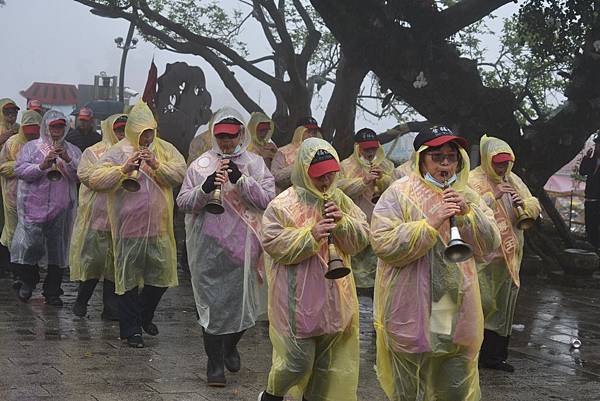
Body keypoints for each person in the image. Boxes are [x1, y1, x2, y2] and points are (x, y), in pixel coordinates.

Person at [370, 126, 500, 401]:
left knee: (448, 375)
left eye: (451, 157)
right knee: (409, 386)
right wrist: (430, 224)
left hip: (448, 300)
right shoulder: (399, 193)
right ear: (421, 159)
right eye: (437, 156)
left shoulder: (468, 195)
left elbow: (490, 244)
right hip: (408, 302)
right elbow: (383, 243)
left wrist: (467, 215)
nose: (445, 164)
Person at [258, 137, 369, 401]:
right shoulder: (283, 204)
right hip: (297, 302)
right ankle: (271, 396)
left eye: (330, 174)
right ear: (303, 172)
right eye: (319, 175)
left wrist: (343, 224)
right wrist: (311, 235)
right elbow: (273, 242)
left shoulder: (340, 200)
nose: (325, 181)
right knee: (296, 363)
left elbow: (362, 237)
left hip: (334, 300)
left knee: (324, 371)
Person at [177, 107, 275, 386]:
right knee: (211, 308)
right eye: (221, 136)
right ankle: (214, 363)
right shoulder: (200, 165)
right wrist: (206, 187)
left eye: (231, 136)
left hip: (245, 248)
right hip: (208, 248)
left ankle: (231, 345)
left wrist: (241, 180)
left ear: (241, 134)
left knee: (244, 306)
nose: (226, 142)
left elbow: (268, 199)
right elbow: (183, 202)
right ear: (213, 135)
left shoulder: (255, 164)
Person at [88, 101, 186, 348]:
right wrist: (123, 169)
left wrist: (155, 164)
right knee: (128, 280)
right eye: (141, 132)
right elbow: (95, 178)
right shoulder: (119, 150)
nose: (146, 136)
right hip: (127, 227)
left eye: (150, 131)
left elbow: (179, 175)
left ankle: (144, 314)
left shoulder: (165, 149)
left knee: (161, 279)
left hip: (159, 227)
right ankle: (131, 330)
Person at [469, 135, 541, 372]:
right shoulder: (472, 179)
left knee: (504, 307)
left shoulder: (514, 179)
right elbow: (468, 210)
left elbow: (532, 202)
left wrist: (526, 206)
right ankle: (472, 355)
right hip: (484, 257)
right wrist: (493, 196)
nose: (502, 168)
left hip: (510, 256)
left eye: (505, 163)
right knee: (481, 304)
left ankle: (495, 357)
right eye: (497, 163)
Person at [11, 110, 82, 305]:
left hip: (61, 209)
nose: (56, 130)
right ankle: (28, 281)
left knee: (57, 250)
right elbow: (19, 170)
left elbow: (81, 175)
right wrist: (41, 166)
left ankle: (52, 292)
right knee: (30, 246)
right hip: (33, 206)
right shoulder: (31, 147)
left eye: (60, 126)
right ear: (46, 127)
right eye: (53, 126)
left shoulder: (73, 150)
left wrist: (67, 159)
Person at [70, 114, 128, 320]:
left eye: (125, 130)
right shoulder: (93, 152)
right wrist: (117, 172)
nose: (121, 134)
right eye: (118, 130)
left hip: (122, 220)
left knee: (115, 266)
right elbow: (87, 177)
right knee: (93, 263)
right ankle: (82, 300)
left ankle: (110, 308)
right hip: (97, 216)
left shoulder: (135, 152)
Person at [338, 128, 394, 295]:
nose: (370, 152)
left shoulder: (386, 164)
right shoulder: (344, 166)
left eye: (373, 148)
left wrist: (383, 179)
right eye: (366, 148)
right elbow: (338, 189)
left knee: (378, 271)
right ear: (357, 147)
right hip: (356, 223)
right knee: (356, 274)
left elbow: (397, 189)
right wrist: (363, 181)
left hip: (380, 223)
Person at [0, 110, 42, 285]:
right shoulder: (12, 143)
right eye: (28, 130)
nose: (31, 134)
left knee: (30, 234)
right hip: (12, 193)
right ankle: (17, 270)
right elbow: (2, 166)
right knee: (13, 232)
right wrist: (22, 168)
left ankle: (26, 269)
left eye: (35, 130)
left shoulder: (43, 145)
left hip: (35, 195)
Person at [270, 117, 321, 193]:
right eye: (308, 131)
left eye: (314, 132)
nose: (311, 135)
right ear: (299, 132)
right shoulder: (283, 152)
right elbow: (275, 177)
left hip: (312, 198)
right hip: (287, 198)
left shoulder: (320, 153)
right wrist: (298, 167)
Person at [579, 135, 600, 248]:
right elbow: (582, 172)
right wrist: (586, 158)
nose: (597, 147)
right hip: (591, 197)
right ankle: (592, 246)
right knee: (590, 224)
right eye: (597, 144)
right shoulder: (591, 160)